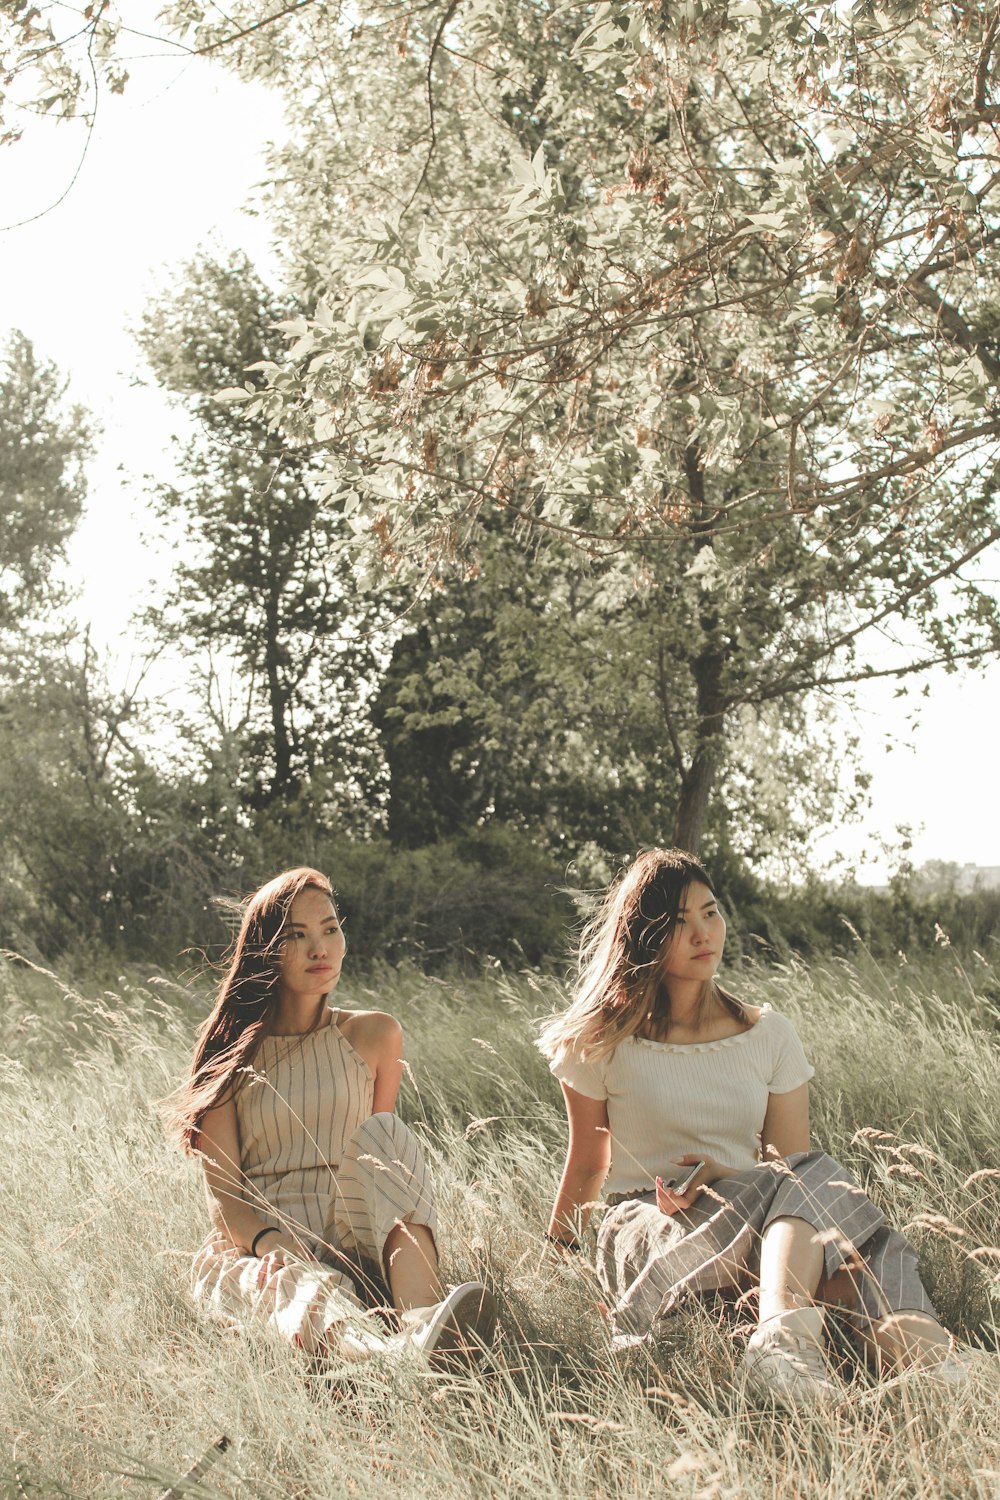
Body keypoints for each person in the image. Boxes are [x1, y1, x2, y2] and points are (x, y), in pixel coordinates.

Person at [538, 848, 972, 1408]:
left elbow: (793, 1175)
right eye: (678, 921)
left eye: (710, 912)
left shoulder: (767, 1034)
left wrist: (724, 1172)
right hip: (651, 1222)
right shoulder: (602, 1040)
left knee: (836, 1226)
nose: (703, 933)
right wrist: (559, 1255)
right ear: (644, 935)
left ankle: (921, 1366)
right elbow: (590, 1162)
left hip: (758, 1225)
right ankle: (875, 1352)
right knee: (840, 1224)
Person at [169, 866, 495, 1367]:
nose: (320, 949)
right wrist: (280, 1246)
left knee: (387, 1133)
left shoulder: (375, 1035)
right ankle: (393, 1359)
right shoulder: (229, 1058)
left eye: (330, 929)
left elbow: (379, 1165)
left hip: (353, 1233)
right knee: (298, 1285)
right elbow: (228, 1205)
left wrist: (348, 1251)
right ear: (266, 952)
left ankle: (421, 1319)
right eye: (296, 937)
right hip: (263, 1243)